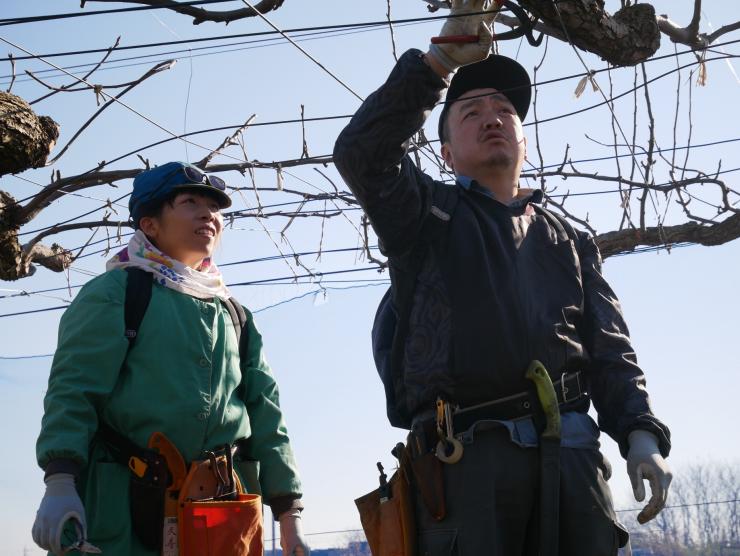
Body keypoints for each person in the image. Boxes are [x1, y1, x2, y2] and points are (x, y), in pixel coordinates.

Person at [333, 1, 672, 554]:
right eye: (469, 111)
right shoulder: (425, 215)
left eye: (503, 110)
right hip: (466, 460)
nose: (491, 115)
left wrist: (640, 433)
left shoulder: (570, 238)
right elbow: (361, 153)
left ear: (524, 138)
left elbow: (611, 350)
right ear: (445, 152)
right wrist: (436, 64)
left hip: (573, 455)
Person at [32, 161, 310, 556]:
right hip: (124, 512)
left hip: (223, 516)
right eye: (190, 202)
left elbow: (267, 413)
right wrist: (60, 479)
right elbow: (73, 391)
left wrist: (288, 511)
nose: (208, 214)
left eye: (214, 207)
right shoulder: (116, 294)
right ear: (150, 225)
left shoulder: (235, 314)